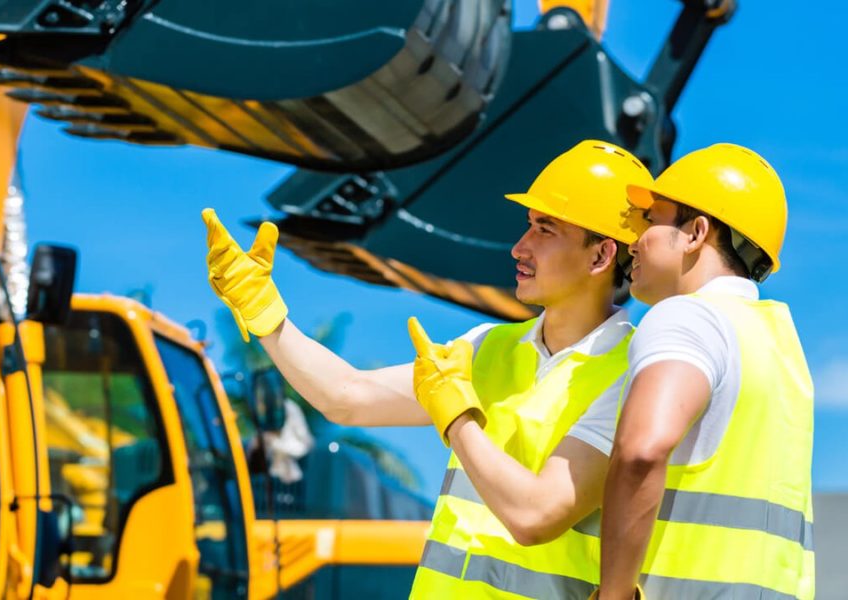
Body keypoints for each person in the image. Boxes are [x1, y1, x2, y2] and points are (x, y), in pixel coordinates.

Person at [203, 140, 653, 598]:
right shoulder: (484, 349)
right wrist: (266, 315)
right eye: (528, 226)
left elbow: (535, 517)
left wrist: (456, 418)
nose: (519, 247)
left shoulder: (634, 375)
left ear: (600, 256)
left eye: (546, 229)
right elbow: (347, 396)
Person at [597, 144, 814, 599]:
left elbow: (641, 450)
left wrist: (614, 595)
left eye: (653, 221)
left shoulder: (688, 317)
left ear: (696, 232)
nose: (634, 241)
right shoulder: (780, 347)